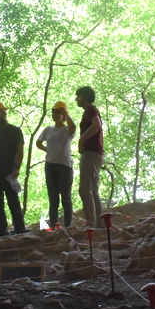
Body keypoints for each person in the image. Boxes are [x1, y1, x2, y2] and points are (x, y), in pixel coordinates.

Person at [0, 100, 26, 237]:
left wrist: (16, 168)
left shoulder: (15, 131)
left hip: (9, 172)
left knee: (13, 201)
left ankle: (19, 229)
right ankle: (2, 231)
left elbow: (20, 152)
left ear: (4, 113)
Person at [36, 101, 76, 229]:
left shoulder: (66, 130)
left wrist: (66, 113)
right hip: (50, 166)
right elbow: (38, 143)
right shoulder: (48, 130)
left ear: (63, 115)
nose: (55, 114)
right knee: (53, 199)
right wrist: (48, 150)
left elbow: (73, 128)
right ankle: (54, 227)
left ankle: (68, 227)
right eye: (54, 112)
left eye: (59, 112)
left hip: (65, 166)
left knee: (66, 198)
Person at [75, 86, 104, 228]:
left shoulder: (91, 110)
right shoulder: (90, 111)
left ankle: (91, 224)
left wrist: (82, 139)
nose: (76, 99)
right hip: (94, 153)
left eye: (78, 96)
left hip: (91, 153)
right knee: (93, 190)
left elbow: (96, 125)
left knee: (85, 189)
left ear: (85, 97)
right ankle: (100, 223)